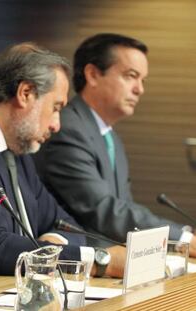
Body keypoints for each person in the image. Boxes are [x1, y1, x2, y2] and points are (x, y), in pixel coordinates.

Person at [0, 43, 125, 278]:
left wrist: (51, 245)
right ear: (25, 93)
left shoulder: (18, 150)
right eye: (56, 107)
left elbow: (66, 225)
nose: (57, 124)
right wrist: (98, 260)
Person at [34, 33, 196, 254]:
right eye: (131, 76)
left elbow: (124, 207)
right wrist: (182, 238)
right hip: (79, 265)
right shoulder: (67, 129)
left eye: (142, 80)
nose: (139, 89)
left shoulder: (110, 136)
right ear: (92, 74)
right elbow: (105, 210)